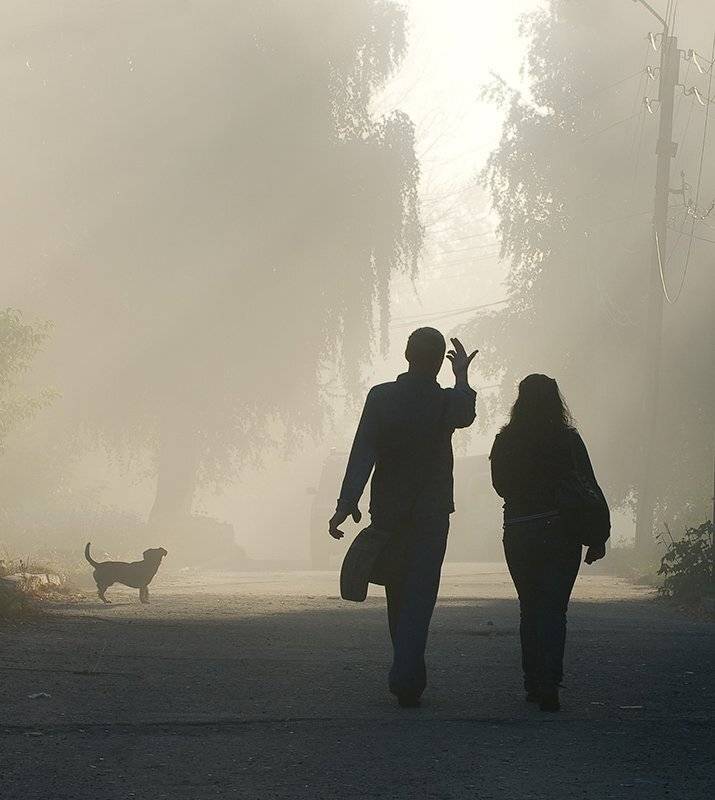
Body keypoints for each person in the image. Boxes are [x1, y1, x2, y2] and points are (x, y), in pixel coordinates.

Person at [329, 328, 477, 707]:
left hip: (389, 512)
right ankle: (407, 673)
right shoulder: (444, 402)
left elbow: (363, 450)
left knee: (398, 591)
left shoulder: (382, 397)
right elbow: (466, 414)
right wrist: (461, 377)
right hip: (431, 513)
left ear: (406, 354)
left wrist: (347, 502)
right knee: (420, 592)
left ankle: (406, 670)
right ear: (438, 362)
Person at [489, 374, 608, 712]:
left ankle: (532, 680)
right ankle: (550, 683)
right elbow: (589, 487)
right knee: (555, 609)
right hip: (562, 531)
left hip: (520, 530)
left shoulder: (506, 439)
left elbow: (500, 486)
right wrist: (597, 537)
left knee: (530, 605)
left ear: (520, 402)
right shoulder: (568, 441)